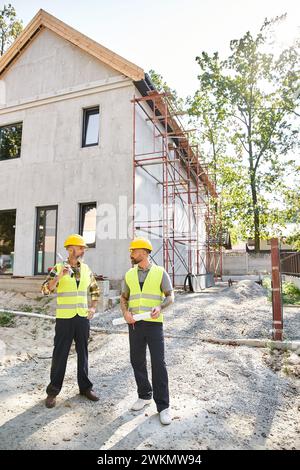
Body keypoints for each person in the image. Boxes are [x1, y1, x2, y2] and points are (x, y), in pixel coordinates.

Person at [41, 234, 100, 408]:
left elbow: (95, 290)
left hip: (82, 317)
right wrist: (59, 276)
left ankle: (85, 388)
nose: (83, 251)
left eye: (83, 248)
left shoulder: (86, 269)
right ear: (71, 249)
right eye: (81, 248)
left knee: (83, 353)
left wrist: (93, 307)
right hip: (64, 319)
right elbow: (45, 290)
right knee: (60, 354)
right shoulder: (58, 267)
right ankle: (52, 392)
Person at [120, 237, 174, 425]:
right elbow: (123, 297)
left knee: (159, 363)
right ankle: (144, 396)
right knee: (137, 360)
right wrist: (125, 312)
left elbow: (170, 296)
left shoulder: (160, 272)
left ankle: (164, 406)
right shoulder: (129, 274)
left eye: (133, 251)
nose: (131, 254)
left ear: (143, 252)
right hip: (134, 324)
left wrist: (160, 307)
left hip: (154, 324)